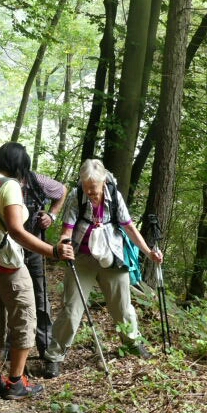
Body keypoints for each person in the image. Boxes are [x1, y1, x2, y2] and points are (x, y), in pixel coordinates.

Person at [43, 159, 163, 379]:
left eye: (94, 190)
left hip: (113, 254)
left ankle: (132, 343)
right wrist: (64, 245)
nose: (91, 194)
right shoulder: (76, 196)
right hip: (82, 257)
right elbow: (67, 229)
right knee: (71, 309)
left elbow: (129, 227)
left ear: (104, 182)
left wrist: (148, 252)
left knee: (122, 306)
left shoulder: (114, 195)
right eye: (87, 189)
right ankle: (54, 356)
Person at [0, 142, 74, 400]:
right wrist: (52, 251)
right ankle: (16, 382)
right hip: (6, 264)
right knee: (25, 318)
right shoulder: (9, 186)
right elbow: (18, 231)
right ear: (20, 165)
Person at [5, 172, 66, 359]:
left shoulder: (37, 180)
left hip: (35, 249)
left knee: (40, 296)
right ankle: (10, 349)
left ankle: (45, 348)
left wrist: (51, 215)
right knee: (10, 297)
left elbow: (62, 190)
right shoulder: (2, 183)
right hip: (8, 250)